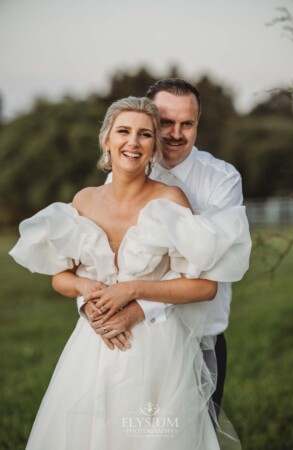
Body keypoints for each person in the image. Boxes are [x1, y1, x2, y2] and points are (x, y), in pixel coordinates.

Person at [10, 96, 251, 449]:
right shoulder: (84, 200)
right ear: (106, 139)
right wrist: (86, 292)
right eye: (123, 131)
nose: (133, 142)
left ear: (154, 147)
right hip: (93, 345)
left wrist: (131, 291)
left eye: (144, 134)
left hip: (158, 347)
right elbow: (60, 277)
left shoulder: (171, 199)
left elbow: (204, 287)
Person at [63, 79, 245, 414]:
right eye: (165, 123)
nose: (175, 133)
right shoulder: (121, 173)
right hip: (118, 336)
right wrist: (89, 306)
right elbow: (97, 258)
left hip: (200, 336)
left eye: (186, 124)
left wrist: (135, 307)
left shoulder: (222, 180)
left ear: (197, 124)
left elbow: (205, 277)